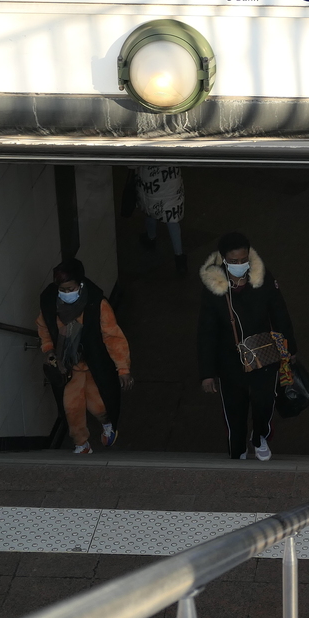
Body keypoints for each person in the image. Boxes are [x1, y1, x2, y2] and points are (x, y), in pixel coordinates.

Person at [197, 232, 298, 460]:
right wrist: (207, 373)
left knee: (265, 401)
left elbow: (279, 312)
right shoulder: (215, 290)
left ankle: (260, 435)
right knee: (234, 409)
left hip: (263, 351)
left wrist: (289, 348)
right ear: (223, 260)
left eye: (244, 260)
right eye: (234, 261)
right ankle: (238, 449)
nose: (240, 265)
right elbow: (206, 332)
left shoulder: (262, 279)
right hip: (230, 359)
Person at [37, 259, 134, 455]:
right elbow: (44, 327)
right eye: (62, 289)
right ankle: (81, 444)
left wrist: (123, 369)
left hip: (95, 364)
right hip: (69, 367)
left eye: (70, 288)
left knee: (98, 404)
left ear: (80, 284)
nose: (65, 293)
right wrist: (48, 349)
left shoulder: (97, 303)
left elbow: (113, 337)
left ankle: (107, 422)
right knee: (71, 408)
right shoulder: (49, 302)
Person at [134, 165, 187, 276]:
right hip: (171, 179)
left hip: (150, 179)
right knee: (172, 216)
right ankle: (179, 257)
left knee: (150, 208)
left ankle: (151, 237)